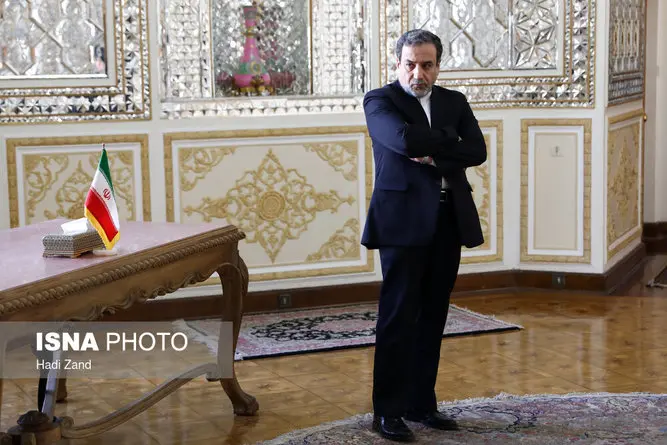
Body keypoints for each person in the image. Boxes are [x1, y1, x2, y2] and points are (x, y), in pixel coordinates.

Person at [361, 29, 487, 442]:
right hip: (401, 221)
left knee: (433, 314)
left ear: (438, 66)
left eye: (427, 65)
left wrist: (433, 150)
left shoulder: (454, 102)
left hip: (449, 218)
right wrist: (450, 141)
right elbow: (402, 140)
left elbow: (478, 150)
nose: (419, 73)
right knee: (398, 316)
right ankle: (387, 412)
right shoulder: (380, 101)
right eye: (411, 64)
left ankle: (421, 405)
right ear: (397, 63)